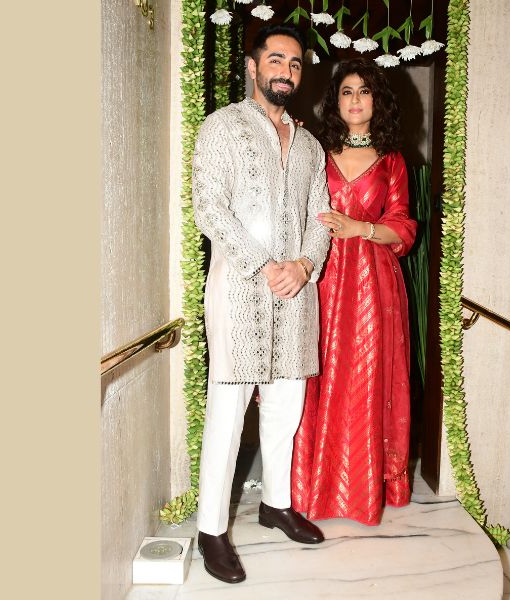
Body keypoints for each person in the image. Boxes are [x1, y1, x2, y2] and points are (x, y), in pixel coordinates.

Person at [191, 24, 331, 584]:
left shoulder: (310, 145)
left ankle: (276, 504)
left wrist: (304, 266)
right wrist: (265, 263)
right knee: (227, 415)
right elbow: (209, 207)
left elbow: (321, 217)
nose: (286, 72)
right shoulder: (221, 127)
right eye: (276, 60)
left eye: (294, 64)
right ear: (253, 66)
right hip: (241, 291)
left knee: (284, 409)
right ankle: (211, 529)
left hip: (295, 294)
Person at [291, 57, 417, 526]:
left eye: (364, 91)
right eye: (347, 91)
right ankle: (308, 488)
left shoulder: (392, 159)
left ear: (377, 100)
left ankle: (359, 492)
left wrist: (360, 228)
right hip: (320, 277)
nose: (356, 100)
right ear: (335, 101)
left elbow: (404, 227)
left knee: (363, 378)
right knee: (315, 373)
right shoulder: (313, 151)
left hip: (371, 284)